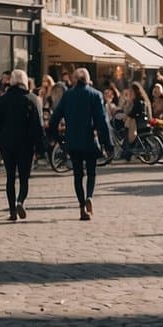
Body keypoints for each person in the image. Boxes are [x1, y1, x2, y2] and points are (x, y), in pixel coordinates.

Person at [48, 67, 113, 221]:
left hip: (73, 141)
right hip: (90, 139)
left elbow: (54, 120)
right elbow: (102, 122)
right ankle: (89, 196)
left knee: (77, 175)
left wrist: (58, 139)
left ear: (75, 79)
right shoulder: (95, 95)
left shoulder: (67, 96)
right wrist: (107, 144)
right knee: (91, 172)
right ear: (88, 79)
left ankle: (82, 205)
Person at [0, 69, 48, 221]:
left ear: (11, 82)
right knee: (24, 177)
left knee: (10, 177)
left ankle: (12, 211)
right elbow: (37, 126)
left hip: (7, 143)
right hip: (25, 144)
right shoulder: (32, 99)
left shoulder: (2, 100)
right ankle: (20, 200)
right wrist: (41, 147)